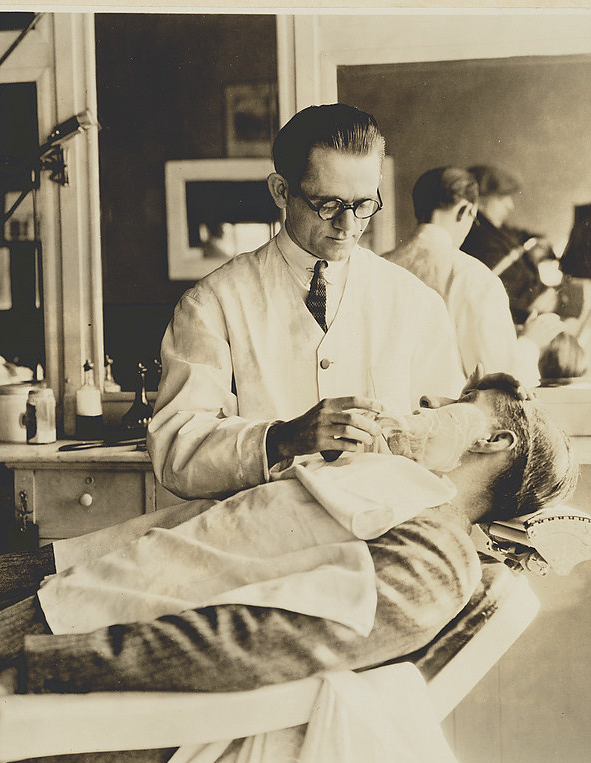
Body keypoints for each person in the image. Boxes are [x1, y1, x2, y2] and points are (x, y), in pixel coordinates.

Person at [0, 372, 579, 763]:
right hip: (2, 612)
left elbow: (250, 642)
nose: (428, 405)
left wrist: (35, 674)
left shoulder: (433, 555)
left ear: (498, 437)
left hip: (15, 658)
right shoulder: (380, 486)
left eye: (453, 403)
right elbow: (171, 543)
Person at [148, 104, 466, 500]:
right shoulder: (213, 304)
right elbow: (176, 451)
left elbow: (450, 439)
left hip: (384, 537)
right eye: (327, 205)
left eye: (364, 204)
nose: (349, 226)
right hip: (268, 541)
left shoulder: (415, 301)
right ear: (281, 191)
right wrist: (279, 438)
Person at [384, 167, 564, 388]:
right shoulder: (473, 276)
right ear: (465, 210)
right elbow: (500, 382)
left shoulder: (378, 265)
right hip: (444, 417)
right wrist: (530, 342)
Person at [460, 164, 563, 327]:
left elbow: (521, 235)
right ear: (479, 201)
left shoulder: (495, 229)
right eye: (501, 198)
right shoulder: (480, 240)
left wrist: (537, 244)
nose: (510, 205)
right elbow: (526, 300)